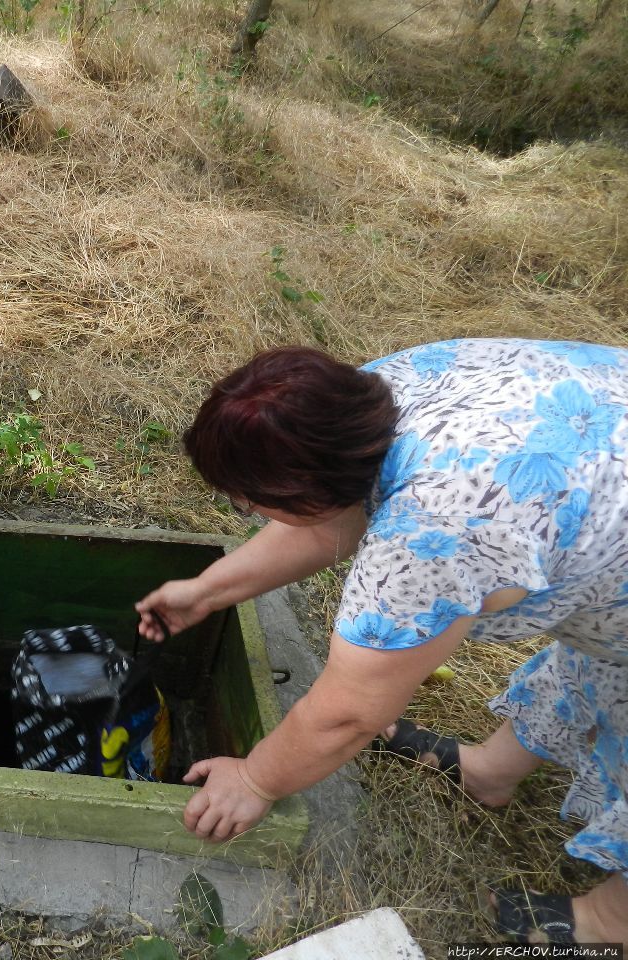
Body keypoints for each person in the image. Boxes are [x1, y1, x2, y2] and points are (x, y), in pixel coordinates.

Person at [135, 340, 628, 945]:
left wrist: (256, 779)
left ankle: (610, 921)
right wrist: (208, 591)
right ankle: (489, 774)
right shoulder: (365, 401)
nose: (245, 510)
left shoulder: (436, 527)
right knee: (595, 666)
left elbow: (351, 713)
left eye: (248, 500)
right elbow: (335, 515)